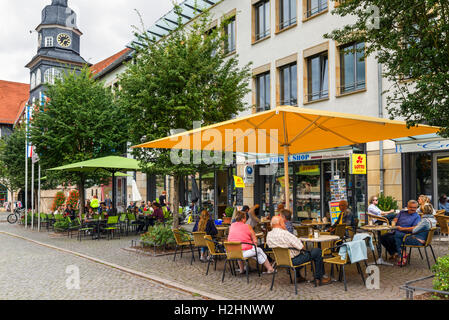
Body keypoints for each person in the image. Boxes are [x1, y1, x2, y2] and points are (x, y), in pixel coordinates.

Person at [267, 216, 331, 285]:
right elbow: (301, 246)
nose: (284, 224)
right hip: (294, 261)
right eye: (283, 222)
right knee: (317, 251)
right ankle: (319, 278)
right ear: (280, 223)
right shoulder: (285, 234)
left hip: (280, 261)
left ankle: (298, 277)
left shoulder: (269, 235)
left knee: (299, 253)